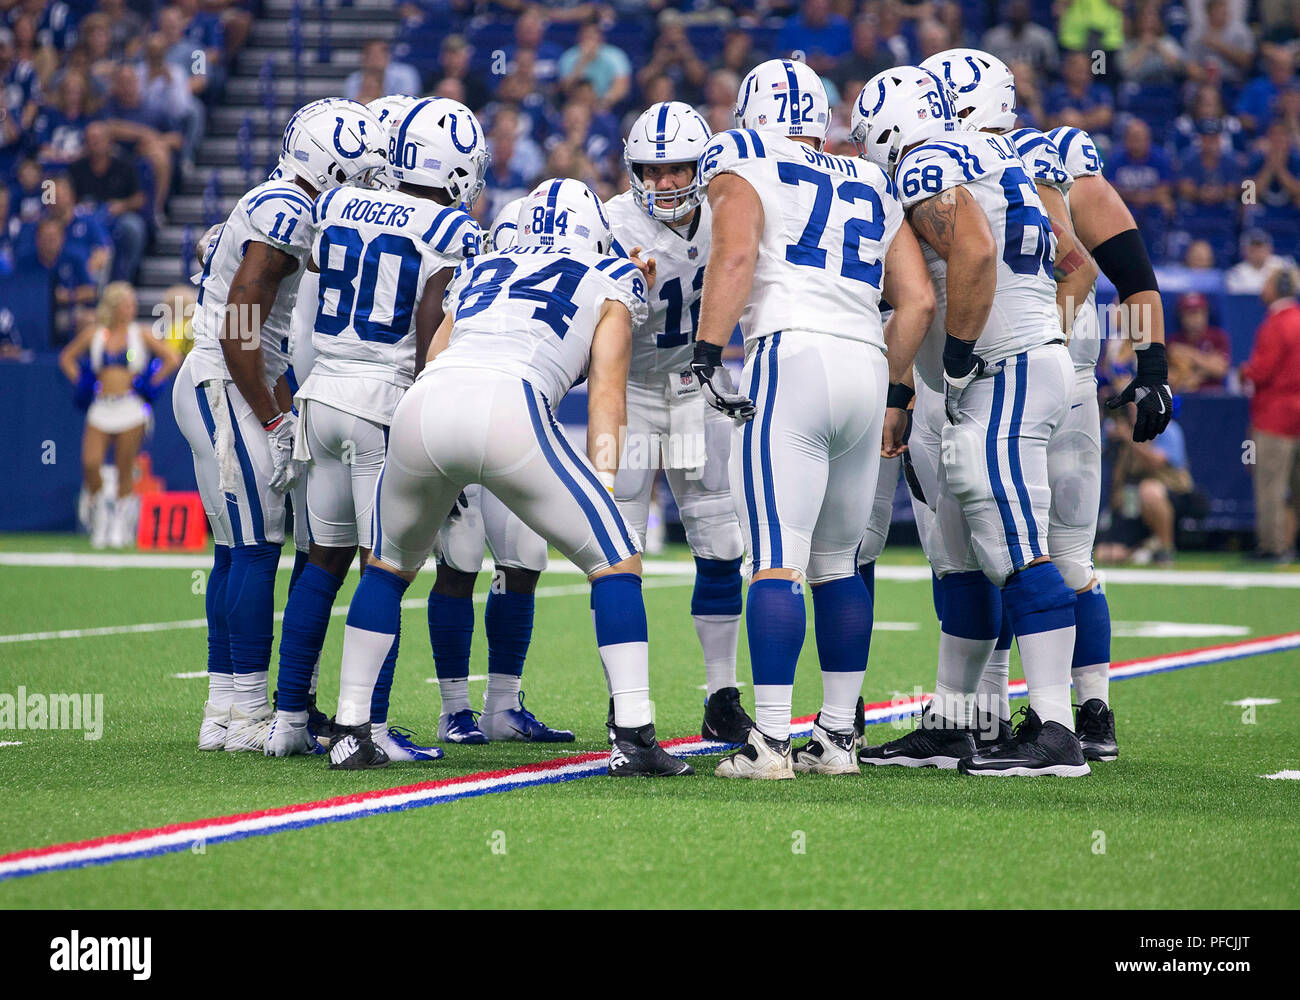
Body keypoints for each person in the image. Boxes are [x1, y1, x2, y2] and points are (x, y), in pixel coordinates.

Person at [332, 177, 691, 777]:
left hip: (425, 406)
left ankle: (351, 727)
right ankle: (632, 732)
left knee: (389, 566)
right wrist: (603, 481)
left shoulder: (483, 267)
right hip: (510, 405)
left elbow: (436, 358)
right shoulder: (614, 276)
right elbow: (607, 390)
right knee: (617, 558)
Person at [693, 59, 934, 779]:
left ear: (750, 109)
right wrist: (895, 389)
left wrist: (708, 352)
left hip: (790, 355)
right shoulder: (869, 175)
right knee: (838, 565)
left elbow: (735, 257)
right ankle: (837, 738)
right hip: (865, 361)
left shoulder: (741, 155)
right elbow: (916, 300)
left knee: (774, 558)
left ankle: (768, 742)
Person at [854, 65, 1095, 777]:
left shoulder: (929, 160)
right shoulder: (1000, 154)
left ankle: (1055, 733)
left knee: (1016, 549)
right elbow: (1070, 256)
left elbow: (978, 251)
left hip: (1002, 373)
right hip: (1023, 364)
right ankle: (958, 721)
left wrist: (962, 353)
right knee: (969, 550)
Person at [268, 97, 489, 761]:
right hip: (384, 404)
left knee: (319, 562)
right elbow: (432, 331)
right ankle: (371, 726)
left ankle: (287, 722)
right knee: (384, 568)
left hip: (321, 394)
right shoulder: (452, 229)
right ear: (460, 169)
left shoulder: (337, 205)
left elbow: (304, 297)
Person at [171, 98, 385, 754]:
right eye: (358, 174)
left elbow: (265, 336)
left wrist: (279, 400)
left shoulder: (282, 200)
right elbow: (241, 325)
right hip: (224, 379)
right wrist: (270, 413)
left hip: (229, 377)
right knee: (259, 548)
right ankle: (246, 712)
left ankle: (222, 710)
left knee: (236, 550)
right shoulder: (288, 210)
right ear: (330, 167)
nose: (369, 188)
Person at [605, 100, 751, 745]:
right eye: (652, 170)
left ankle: (722, 694)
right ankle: (626, 705)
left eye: (678, 169)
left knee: (721, 544)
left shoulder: (732, 216)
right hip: (631, 391)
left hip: (699, 387)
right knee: (618, 548)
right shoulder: (607, 223)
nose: (665, 182)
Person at [426, 196, 574, 746]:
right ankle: (453, 709)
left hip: (518, 429)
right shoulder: (478, 275)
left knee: (524, 559)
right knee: (459, 559)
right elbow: (435, 347)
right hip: (460, 416)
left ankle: (503, 706)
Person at [58, 281, 180, 547]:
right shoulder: (95, 333)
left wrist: (151, 382)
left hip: (131, 407)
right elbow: (66, 358)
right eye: (127, 303)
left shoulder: (141, 333)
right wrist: (83, 383)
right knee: (91, 463)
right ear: (114, 306)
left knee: (126, 469)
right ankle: (102, 514)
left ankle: (120, 526)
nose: (131, 308)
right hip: (102, 406)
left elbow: (172, 357)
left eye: (133, 303)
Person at [1240, 265, 1300, 561]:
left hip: (1274, 416)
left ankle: (1272, 546)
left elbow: (1262, 371)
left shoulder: (1275, 324)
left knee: (1271, 485)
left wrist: (1244, 371)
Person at [1097, 401, 1196, 565]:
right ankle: (1143, 549)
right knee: (1104, 553)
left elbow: (1156, 461)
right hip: (1134, 501)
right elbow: (1119, 477)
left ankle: (1165, 548)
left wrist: (1129, 438)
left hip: (1171, 493)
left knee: (1149, 490)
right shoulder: (1124, 432)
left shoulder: (1167, 429)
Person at [1169, 292, 1231, 392]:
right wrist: (1207, 363)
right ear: (1181, 316)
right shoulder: (1174, 340)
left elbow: (1220, 369)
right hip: (1184, 397)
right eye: (1189, 313)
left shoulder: (1217, 337)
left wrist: (1190, 354)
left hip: (1212, 396)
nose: (1195, 318)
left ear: (1206, 314)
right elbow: (1170, 376)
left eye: (1198, 312)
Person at [1226, 229, 1295, 294]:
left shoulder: (1283, 265)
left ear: (1269, 248)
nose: (1257, 252)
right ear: (1244, 251)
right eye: (1253, 249)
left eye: (1260, 247)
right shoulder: (1236, 273)